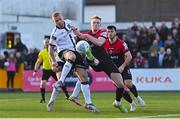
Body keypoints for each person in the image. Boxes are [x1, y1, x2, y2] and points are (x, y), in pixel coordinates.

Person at [71, 16, 128, 113]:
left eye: (98, 23)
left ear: (100, 25)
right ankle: (89, 55)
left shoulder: (103, 33)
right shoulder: (86, 34)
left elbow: (99, 43)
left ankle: (117, 102)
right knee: (91, 58)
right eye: (94, 22)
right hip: (95, 62)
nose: (96, 24)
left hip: (106, 61)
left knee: (120, 84)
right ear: (91, 24)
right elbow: (79, 35)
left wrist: (86, 37)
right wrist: (74, 30)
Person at [47, 12, 99, 113]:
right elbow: (50, 49)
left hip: (75, 51)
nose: (59, 22)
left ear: (63, 18)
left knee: (84, 78)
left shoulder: (68, 22)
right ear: (54, 22)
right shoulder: (54, 34)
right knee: (71, 56)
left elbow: (75, 33)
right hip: (63, 53)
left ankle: (88, 103)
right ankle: (53, 98)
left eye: (60, 19)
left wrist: (76, 31)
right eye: (56, 21)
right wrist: (53, 62)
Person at [103, 25, 145, 106]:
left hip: (123, 67)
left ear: (115, 32)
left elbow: (129, 56)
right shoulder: (104, 43)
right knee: (120, 87)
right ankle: (132, 103)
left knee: (128, 83)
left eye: (112, 31)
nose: (110, 33)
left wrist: (122, 66)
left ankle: (138, 97)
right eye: (108, 32)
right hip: (113, 69)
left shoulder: (121, 43)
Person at [33, 36, 69, 103]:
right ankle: (43, 99)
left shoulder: (55, 51)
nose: (47, 43)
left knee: (61, 82)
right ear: (44, 43)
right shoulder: (42, 53)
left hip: (54, 69)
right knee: (42, 84)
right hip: (46, 70)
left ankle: (67, 95)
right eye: (45, 42)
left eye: (48, 42)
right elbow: (38, 62)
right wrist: (35, 70)